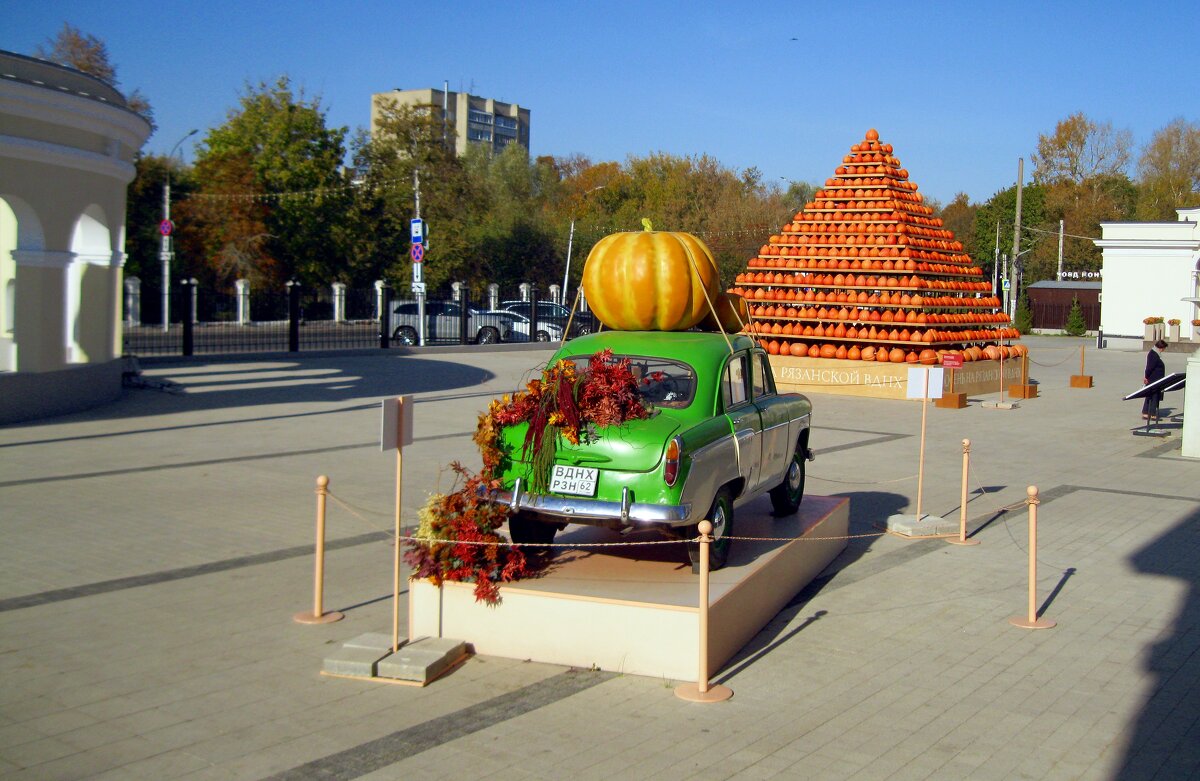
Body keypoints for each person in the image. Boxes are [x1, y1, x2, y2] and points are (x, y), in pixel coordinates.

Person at [1142, 339, 1167, 421]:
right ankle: (1151, 414)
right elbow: (1149, 367)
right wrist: (1146, 376)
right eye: (1164, 348)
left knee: (1150, 395)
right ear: (1161, 347)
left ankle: (1146, 412)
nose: (1164, 350)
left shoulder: (1154, 353)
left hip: (1155, 379)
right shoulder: (1153, 354)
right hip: (1154, 379)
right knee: (1154, 396)